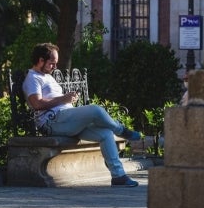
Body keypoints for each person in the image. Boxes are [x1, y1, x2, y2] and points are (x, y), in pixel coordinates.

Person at [23, 42, 142, 187]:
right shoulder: (33, 78)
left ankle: (118, 176)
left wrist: (68, 99)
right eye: (52, 63)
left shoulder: (47, 76)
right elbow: (37, 104)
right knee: (95, 110)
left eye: (55, 63)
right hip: (52, 122)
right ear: (41, 60)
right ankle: (121, 130)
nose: (54, 67)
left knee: (105, 134)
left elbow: (55, 99)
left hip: (65, 120)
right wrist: (63, 99)